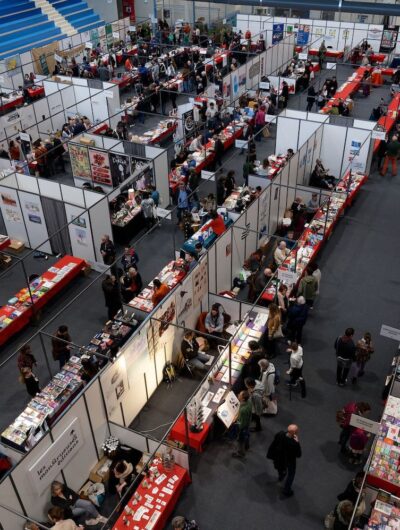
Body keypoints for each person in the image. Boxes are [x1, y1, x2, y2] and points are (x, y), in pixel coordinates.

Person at [267, 424, 302, 497]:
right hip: (290, 461)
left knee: (280, 467)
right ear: (294, 433)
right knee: (291, 474)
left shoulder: (280, 434)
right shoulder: (294, 443)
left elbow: (274, 442)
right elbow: (299, 454)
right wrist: (297, 442)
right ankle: (287, 490)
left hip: (280, 457)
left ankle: (281, 475)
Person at [232, 390, 252, 458]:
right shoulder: (248, 402)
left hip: (243, 427)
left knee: (240, 441)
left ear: (243, 398)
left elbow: (241, 424)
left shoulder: (243, 410)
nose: (238, 395)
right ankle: (247, 445)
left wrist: (234, 422)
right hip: (248, 422)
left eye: (239, 395)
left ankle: (241, 453)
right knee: (247, 435)